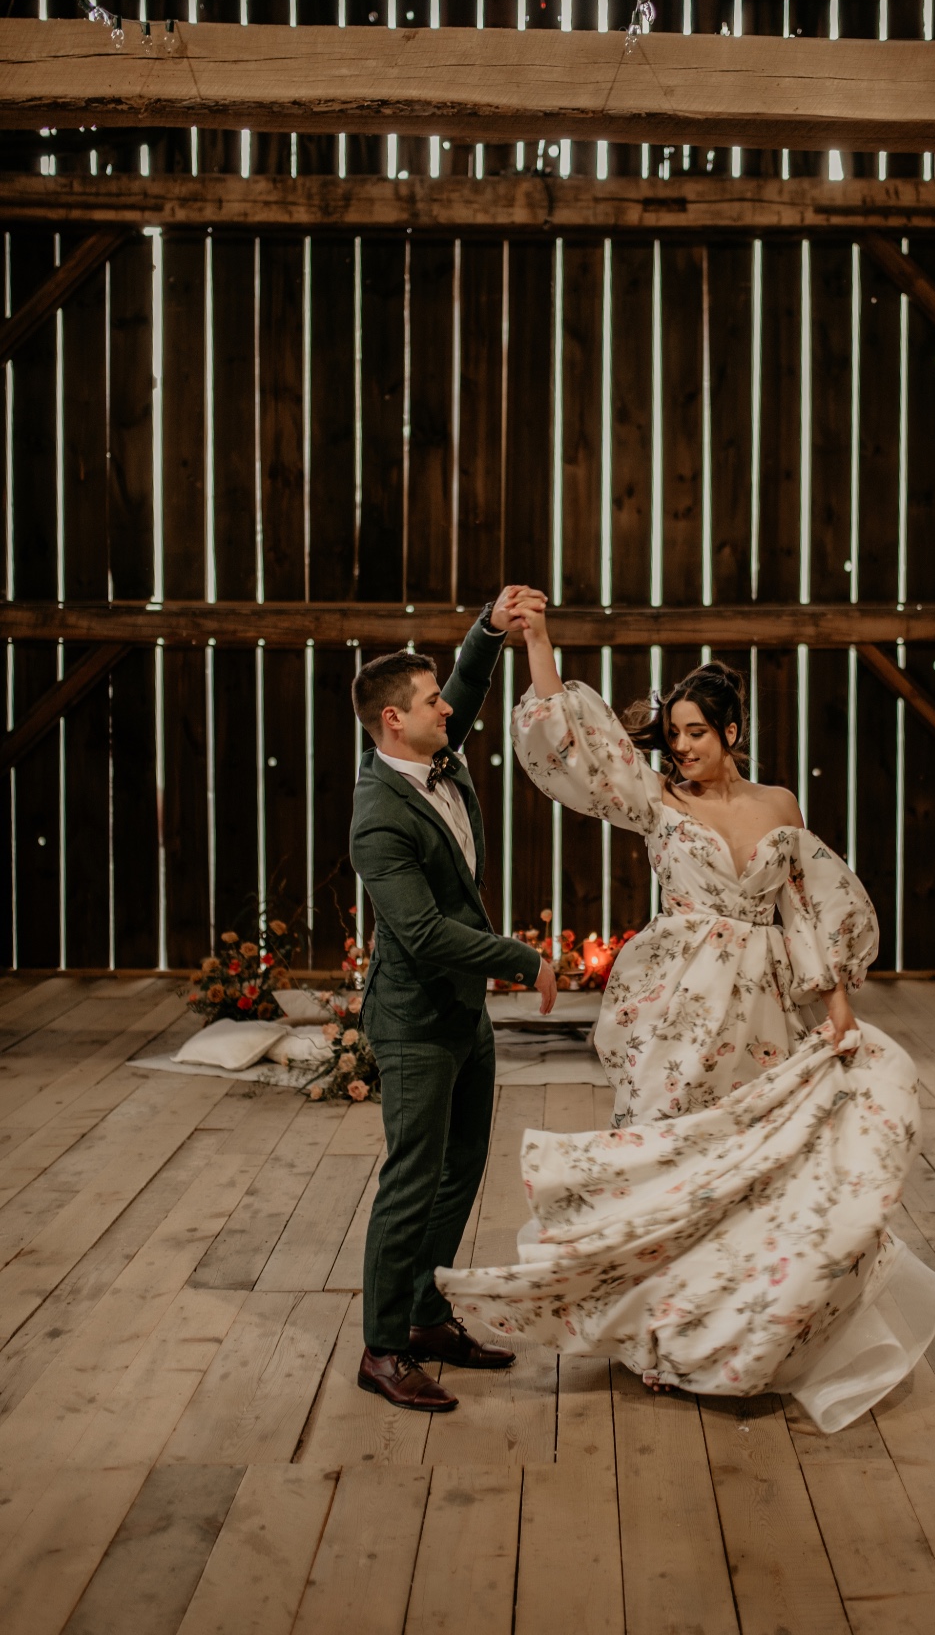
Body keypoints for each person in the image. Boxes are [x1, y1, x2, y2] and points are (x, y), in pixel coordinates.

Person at [438, 593, 935, 1432]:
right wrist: (539, 644)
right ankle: (659, 1342)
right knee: (671, 1153)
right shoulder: (656, 798)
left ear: (731, 733)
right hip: (678, 1005)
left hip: (767, 1004)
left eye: (695, 733)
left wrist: (839, 1009)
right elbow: (577, 750)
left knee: (750, 1167)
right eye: (672, 734)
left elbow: (804, 910)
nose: (680, 748)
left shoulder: (779, 806)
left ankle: (740, 1335)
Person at [349, 587, 557, 1413]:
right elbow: (425, 935)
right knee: (410, 1178)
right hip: (414, 1021)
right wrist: (521, 957)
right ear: (394, 722)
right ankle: (383, 1347)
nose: (448, 708)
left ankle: (429, 1317)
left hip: (462, 1013)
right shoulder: (377, 817)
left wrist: (489, 627)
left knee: (459, 1169)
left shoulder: (431, 751)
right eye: (430, 701)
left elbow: (467, 685)